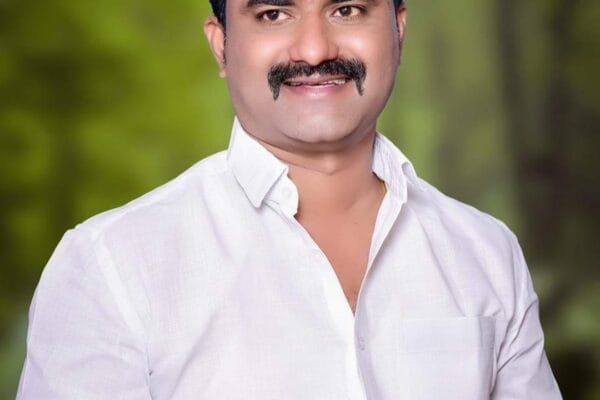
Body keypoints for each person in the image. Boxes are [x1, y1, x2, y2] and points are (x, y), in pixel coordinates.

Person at [17, 0, 562, 398]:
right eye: (274, 14)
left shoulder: (486, 253)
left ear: (398, 29)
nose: (315, 49)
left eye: (347, 10)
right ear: (221, 45)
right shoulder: (109, 266)